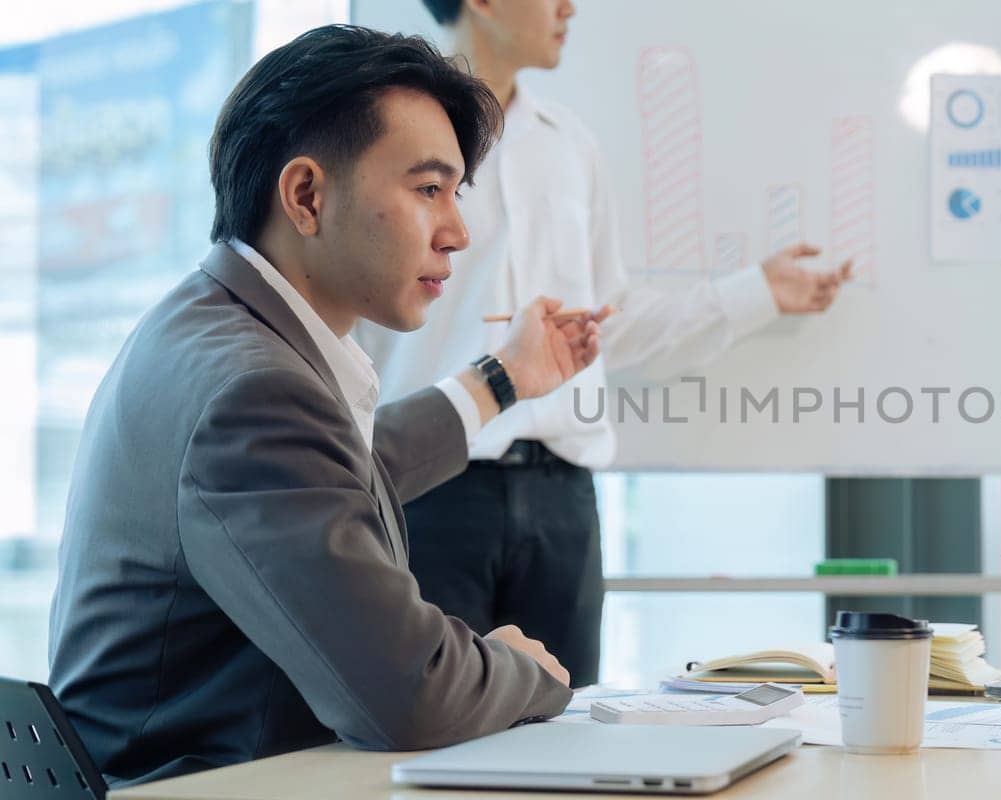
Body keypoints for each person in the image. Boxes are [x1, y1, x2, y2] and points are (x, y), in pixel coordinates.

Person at [47, 25, 603, 786]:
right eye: (428, 189)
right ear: (307, 195)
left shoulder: (211, 326)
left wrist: (501, 380)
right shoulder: (254, 391)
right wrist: (520, 666)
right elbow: (410, 694)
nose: (458, 232)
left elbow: (345, 470)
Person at [357, 0, 852, 687]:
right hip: (429, 485)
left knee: (566, 720)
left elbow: (607, 325)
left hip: (563, 495)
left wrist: (757, 291)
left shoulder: (568, 146)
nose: (570, 7)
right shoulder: (382, 138)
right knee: (429, 720)